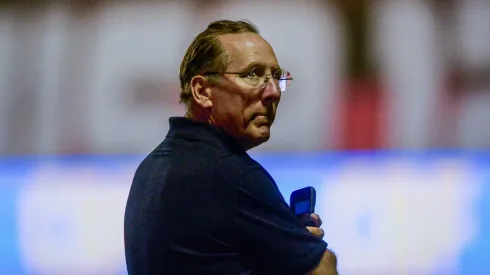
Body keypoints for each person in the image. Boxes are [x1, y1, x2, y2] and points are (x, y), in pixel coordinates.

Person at [124, 20, 338, 275]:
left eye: (276, 76)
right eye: (253, 74)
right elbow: (323, 270)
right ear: (202, 91)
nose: (273, 92)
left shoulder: (150, 168)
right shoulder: (231, 174)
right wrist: (308, 251)